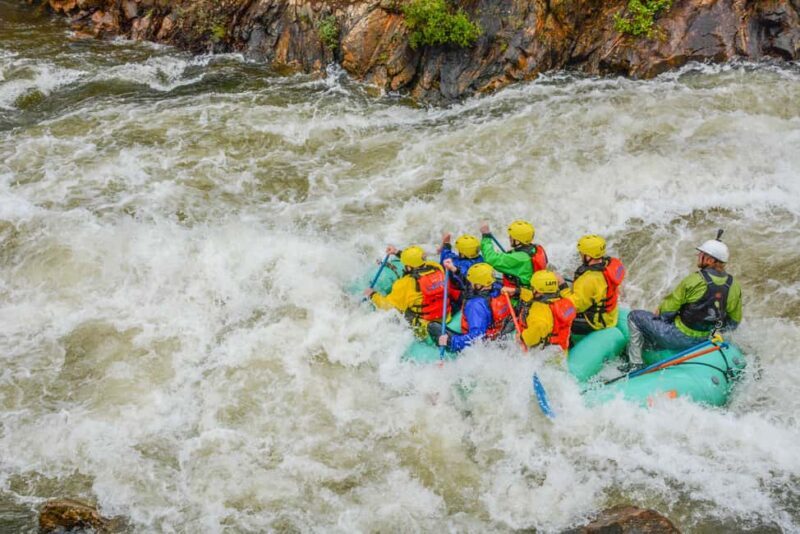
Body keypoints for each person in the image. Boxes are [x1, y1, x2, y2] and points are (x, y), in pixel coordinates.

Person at [625, 233, 743, 369]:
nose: (698, 256)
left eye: (701, 254)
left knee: (634, 316)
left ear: (710, 260)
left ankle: (635, 364)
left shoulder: (694, 280)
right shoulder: (734, 285)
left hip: (678, 337)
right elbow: (733, 323)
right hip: (706, 340)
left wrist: (661, 315)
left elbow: (666, 313)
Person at [363, 245, 450, 338]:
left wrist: (372, 294)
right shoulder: (436, 267)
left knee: (398, 313)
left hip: (425, 326)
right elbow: (417, 262)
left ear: (408, 267)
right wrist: (397, 252)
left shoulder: (405, 283)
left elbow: (388, 306)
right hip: (446, 316)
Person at [431, 263, 511, 352]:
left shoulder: (475, 305)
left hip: (483, 345)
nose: (470, 283)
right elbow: (469, 283)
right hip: (497, 333)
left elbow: (477, 337)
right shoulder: (498, 288)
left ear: (478, 285)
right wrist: (455, 269)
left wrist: (451, 341)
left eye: (472, 282)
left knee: (433, 327)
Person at [560, 234, 626, 335]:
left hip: (597, 322)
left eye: (582, 253)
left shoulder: (589, 280)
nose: (580, 255)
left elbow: (573, 307)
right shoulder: (609, 265)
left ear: (589, 256)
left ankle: (568, 343)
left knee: (558, 317)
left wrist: (563, 287)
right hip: (609, 315)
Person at [504, 270, 576, 351]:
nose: (532, 289)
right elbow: (534, 295)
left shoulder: (539, 310)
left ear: (537, 291)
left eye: (533, 287)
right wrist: (518, 291)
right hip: (559, 350)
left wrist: (521, 337)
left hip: (542, 354)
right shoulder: (562, 301)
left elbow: (535, 333)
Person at [479, 220, 548, 289]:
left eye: (511, 236)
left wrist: (486, 236)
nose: (509, 237)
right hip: (531, 284)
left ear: (517, 241)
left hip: (519, 291)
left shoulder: (517, 258)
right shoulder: (535, 248)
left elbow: (490, 258)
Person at [439, 233, 483, 306]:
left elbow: (446, 257)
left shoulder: (458, 264)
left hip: (464, 294)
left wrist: (446, 244)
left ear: (462, 253)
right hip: (478, 289)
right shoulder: (480, 258)